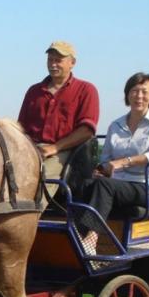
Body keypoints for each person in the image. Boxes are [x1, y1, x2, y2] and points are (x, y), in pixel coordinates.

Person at [73, 72, 149, 254]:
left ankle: (91, 239)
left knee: (104, 186)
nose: (139, 96)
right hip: (119, 185)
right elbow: (106, 159)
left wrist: (125, 162)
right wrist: (101, 169)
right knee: (83, 184)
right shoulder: (116, 125)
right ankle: (75, 234)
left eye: (144, 91)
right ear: (127, 94)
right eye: (134, 91)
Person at [18, 41, 99, 192]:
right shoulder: (34, 91)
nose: (53, 64)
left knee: (39, 177)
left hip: (66, 151)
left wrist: (54, 148)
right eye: (50, 60)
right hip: (31, 149)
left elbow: (87, 130)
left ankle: (34, 206)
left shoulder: (86, 90)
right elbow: (20, 127)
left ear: (72, 63)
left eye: (58, 60)